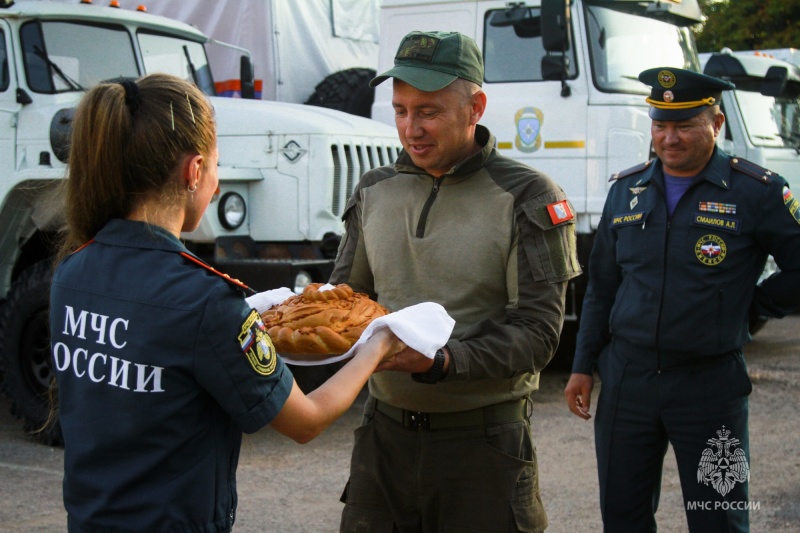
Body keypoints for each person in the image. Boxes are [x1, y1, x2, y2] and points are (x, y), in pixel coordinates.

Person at [48, 73, 405, 533]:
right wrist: (378, 344)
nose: (216, 184)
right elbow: (306, 421)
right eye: (216, 166)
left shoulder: (71, 273)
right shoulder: (207, 300)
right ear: (193, 172)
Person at [330, 30, 581, 532]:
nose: (410, 128)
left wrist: (442, 361)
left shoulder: (528, 195)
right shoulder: (374, 189)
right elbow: (344, 302)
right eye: (400, 110)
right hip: (383, 441)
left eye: (428, 111)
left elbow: (537, 334)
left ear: (476, 107)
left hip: (484, 449)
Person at [564, 67, 800, 532]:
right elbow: (602, 288)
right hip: (628, 381)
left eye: (685, 124)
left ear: (716, 125)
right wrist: (581, 366)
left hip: (709, 385)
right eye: (660, 124)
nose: (669, 138)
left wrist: (750, 309)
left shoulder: (758, 191)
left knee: (720, 520)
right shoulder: (626, 191)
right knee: (623, 517)